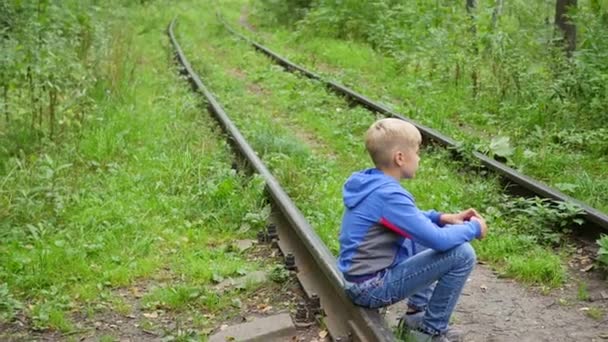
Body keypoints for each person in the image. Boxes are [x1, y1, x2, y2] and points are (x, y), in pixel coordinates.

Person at [337, 118, 488, 342]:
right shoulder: (389, 195)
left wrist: (441, 218)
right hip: (370, 289)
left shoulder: (372, 183)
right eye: (417, 152)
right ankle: (429, 332)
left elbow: (413, 221)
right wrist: (473, 228)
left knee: (420, 234)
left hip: (359, 280)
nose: (418, 158)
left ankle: (416, 315)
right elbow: (439, 241)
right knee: (462, 254)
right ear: (400, 158)